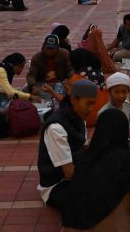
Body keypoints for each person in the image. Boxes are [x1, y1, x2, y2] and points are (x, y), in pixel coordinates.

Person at [37, 80, 98, 210]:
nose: (92, 108)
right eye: (88, 103)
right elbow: (69, 172)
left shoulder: (79, 118)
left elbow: (84, 149)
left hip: (76, 174)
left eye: (93, 103)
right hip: (57, 184)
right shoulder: (56, 127)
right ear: (74, 100)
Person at [28, 34, 73, 102]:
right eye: (48, 48)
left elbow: (70, 69)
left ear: (57, 47)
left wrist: (71, 80)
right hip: (43, 84)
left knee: (62, 89)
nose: (50, 50)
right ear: (44, 47)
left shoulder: (64, 54)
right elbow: (31, 75)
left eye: (52, 48)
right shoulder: (37, 57)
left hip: (60, 82)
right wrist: (33, 86)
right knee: (25, 90)